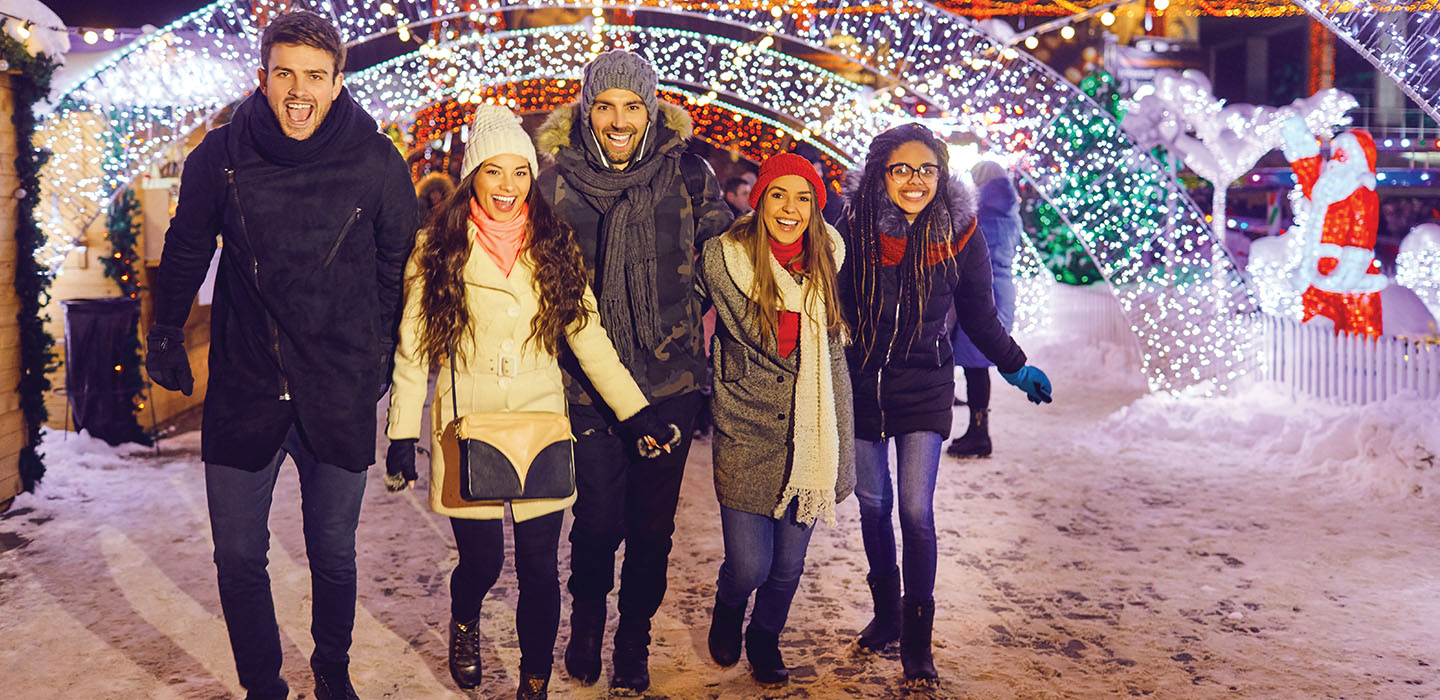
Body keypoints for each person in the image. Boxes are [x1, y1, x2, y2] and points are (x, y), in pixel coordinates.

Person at [143, 11, 417, 700]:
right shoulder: (222, 156)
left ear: (337, 80)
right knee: (236, 557)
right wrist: (165, 333)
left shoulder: (375, 160)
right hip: (245, 382)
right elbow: (184, 251)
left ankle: (332, 671)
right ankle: (263, 685)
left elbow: (395, 266)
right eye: (285, 72)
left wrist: (375, 360)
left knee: (331, 552)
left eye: (315, 76)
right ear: (262, 76)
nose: (299, 90)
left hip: (336, 388)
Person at [382, 105, 680, 700]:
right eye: (495, 172)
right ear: (473, 176)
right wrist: (398, 435)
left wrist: (636, 411)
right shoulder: (436, 249)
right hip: (468, 423)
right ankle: (465, 618)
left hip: (540, 422)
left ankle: (533, 683)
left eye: (520, 173)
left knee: (540, 568)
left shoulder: (552, 243)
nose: (508, 187)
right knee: (484, 562)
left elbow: (588, 338)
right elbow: (414, 351)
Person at [535, 49, 734, 693]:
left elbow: (726, 264)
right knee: (597, 521)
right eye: (604, 104)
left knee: (652, 527)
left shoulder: (690, 176)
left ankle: (634, 637)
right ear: (585, 109)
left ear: (649, 111)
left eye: (631, 105)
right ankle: (588, 616)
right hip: (585, 386)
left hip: (669, 381)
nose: (618, 119)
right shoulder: (555, 183)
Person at [838, 124, 1053, 685]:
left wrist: (1013, 364)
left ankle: (916, 639)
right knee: (872, 504)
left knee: (915, 510)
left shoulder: (960, 232)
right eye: (902, 170)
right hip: (860, 386)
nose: (915, 181)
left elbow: (980, 314)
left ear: (942, 174)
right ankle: (885, 614)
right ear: (882, 173)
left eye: (926, 170)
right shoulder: (852, 227)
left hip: (925, 388)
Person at [695, 154, 854, 687]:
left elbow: (840, 350)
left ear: (816, 207)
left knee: (787, 568)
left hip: (812, 431)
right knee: (749, 566)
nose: (790, 209)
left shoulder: (830, 256)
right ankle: (729, 603)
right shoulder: (724, 259)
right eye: (779, 195)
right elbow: (676, 311)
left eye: (803, 198)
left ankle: (764, 636)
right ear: (759, 199)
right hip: (746, 426)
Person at [947, 159, 1021, 458]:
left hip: (982, 291)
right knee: (977, 364)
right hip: (1001, 290)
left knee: (976, 367)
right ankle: (978, 430)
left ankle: (979, 434)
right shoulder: (1010, 212)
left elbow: (970, 254)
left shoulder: (982, 213)